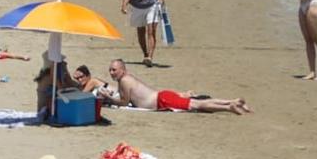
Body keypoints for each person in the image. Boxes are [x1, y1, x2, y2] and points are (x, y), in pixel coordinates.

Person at [97, 58, 250, 114]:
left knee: (197, 104)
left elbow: (124, 102)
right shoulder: (127, 78)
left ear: (123, 70)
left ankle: (229, 106)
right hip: (162, 96)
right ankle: (231, 102)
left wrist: (109, 99)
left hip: (162, 101)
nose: (111, 72)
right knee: (196, 102)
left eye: (114, 70)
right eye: (110, 69)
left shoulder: (124, 80)